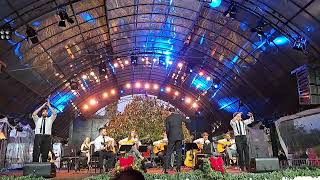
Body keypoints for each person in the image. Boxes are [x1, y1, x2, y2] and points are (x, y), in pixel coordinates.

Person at [164, 107, 190, 173]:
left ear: (169, 112)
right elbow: (188, 121)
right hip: (179, 137)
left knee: (169, 152)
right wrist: (187, 117)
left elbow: (167, 130)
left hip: (171, 137)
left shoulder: (167, 118)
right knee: (179, 152)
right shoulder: (179, 116)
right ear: (174, 111)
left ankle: (166, 169)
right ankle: (178, 168)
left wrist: (168, 137)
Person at [32, 97, 57, 162]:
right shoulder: (37, 119)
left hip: (47, 136)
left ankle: (44, 165)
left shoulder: (50, 119)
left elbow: (55, 114)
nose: (45, 113)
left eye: (46, 112)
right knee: (36, 151)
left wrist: (49, 106)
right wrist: (42, 106)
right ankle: (35, 165)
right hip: (38, 136)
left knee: (45, 152)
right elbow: (34, 114)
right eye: (43, 112)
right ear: (41, 113)